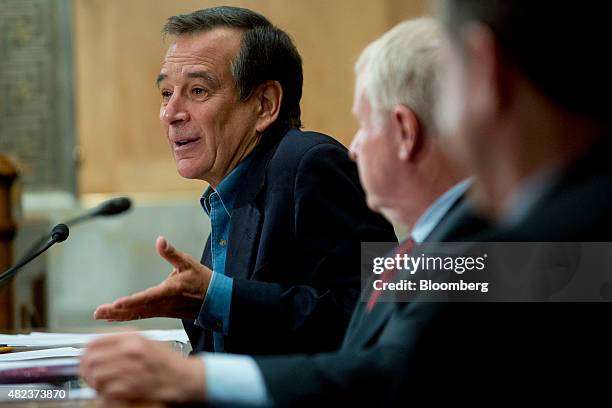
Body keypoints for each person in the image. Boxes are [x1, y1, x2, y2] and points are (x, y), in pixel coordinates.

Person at [81, 18, 476, 405]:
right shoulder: (444, 244)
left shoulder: (494, 251)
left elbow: (377, 365)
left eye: (198, 91)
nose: (352, 148)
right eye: (166, 94)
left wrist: (198, 371)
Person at [93, 6, 396, 356]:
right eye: (166, 93)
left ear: (265, 104)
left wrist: (218, 297)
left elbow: (371, 313)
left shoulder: (309, 164)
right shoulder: (229, 194)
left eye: (198, 91)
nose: (171, 114)